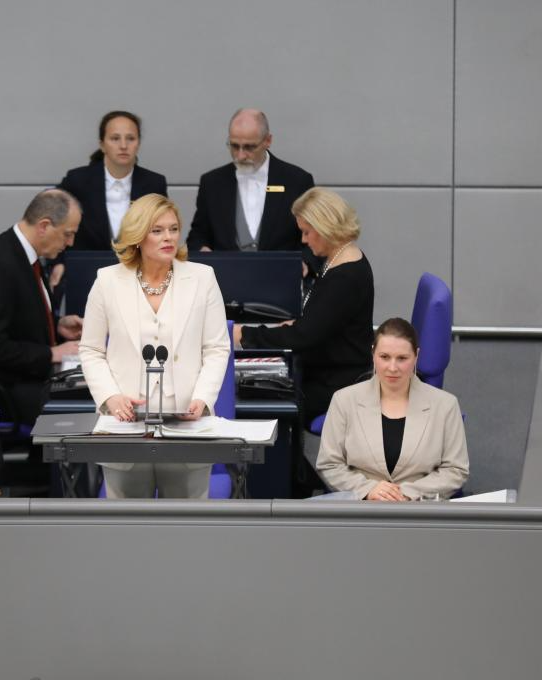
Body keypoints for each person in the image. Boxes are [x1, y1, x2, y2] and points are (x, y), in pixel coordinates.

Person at [79, 194, 230, 498]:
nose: (168, 238)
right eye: (157, 230)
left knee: (187, 521)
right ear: (137, 236)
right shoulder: (107, 281)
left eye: (173, 229)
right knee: (127, 522)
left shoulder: (203, 278)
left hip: (187, 422)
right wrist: (110, 397)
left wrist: (202, 398)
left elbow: (216, 348)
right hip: (125, 422)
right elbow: (91, 350)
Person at [233, 187, 374, 427]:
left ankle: (280, 452)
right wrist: (297, 326)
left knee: (255, 399)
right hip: (331, 372)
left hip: (336, 384)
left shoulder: (344, 277)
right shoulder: (340, 260)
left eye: (307, 232)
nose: (303, 240)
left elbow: (302, 337)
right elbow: (316, 324)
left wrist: (244, 335)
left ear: (324, 226)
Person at [0, 189, 83, 425]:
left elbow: (17, 316)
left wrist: (57, 325)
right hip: (4, 387)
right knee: (85, 405)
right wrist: (51, 353)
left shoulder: (24, 254)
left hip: (24, 374)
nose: (70, 243)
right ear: (44, 226)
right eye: (67, 234)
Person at [316, 318, 469, 501]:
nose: (392, 367)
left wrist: (408, 493)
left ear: (416, 356)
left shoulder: (446, 405)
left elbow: (455, 470)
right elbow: (329, 464)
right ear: (373, 354)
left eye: (402, 358)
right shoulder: (344, 400)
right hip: (361, 507)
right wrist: (368, 489)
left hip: (419, 508)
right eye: (384, 357)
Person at [186, 108, 317, 274]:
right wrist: (202, 250)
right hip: (225, 280)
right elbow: (198, 234)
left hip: (280, 278)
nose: (240, 156)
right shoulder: (212, 183)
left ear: (267, 141)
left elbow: (315, 234)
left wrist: (305, 262)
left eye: (249, 147)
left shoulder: (297, 181)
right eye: (234, 146)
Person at [49, 110, 168, 289]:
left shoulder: (154, 184)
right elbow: (55, 223)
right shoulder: (77, 181)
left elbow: (161, 233)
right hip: (86, 274)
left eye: (130, 138)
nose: (123, 145)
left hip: (138, 276)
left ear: (138, 144)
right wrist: (58, 262)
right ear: (102, 145)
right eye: (115, 138)